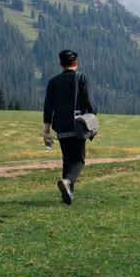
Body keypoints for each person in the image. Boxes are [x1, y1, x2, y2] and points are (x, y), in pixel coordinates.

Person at [43, 50, 96, 205]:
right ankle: (67, 182)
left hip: (60, 126)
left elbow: (48, 107)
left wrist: (46, 131)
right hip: (78, 125)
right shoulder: (81, 78)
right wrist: (92, 126)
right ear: (75, 63)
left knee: (67, 160)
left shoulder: (53, 82)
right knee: (79, 160)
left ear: (61, 64)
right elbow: (90, 104)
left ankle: (68, 196)